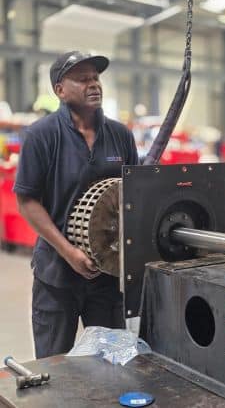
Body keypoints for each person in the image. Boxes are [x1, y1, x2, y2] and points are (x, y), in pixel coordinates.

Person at [13, 51, 139, 358]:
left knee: (112, 363)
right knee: (54, 365)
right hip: (58, 275)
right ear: (60, 89)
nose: (93, 84)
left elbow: (135, 195)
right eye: (82, 79)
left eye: (95, 78)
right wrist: (69, 252)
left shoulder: (120, 135)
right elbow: (27, 201)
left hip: (108, 276)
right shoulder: (40, 136)